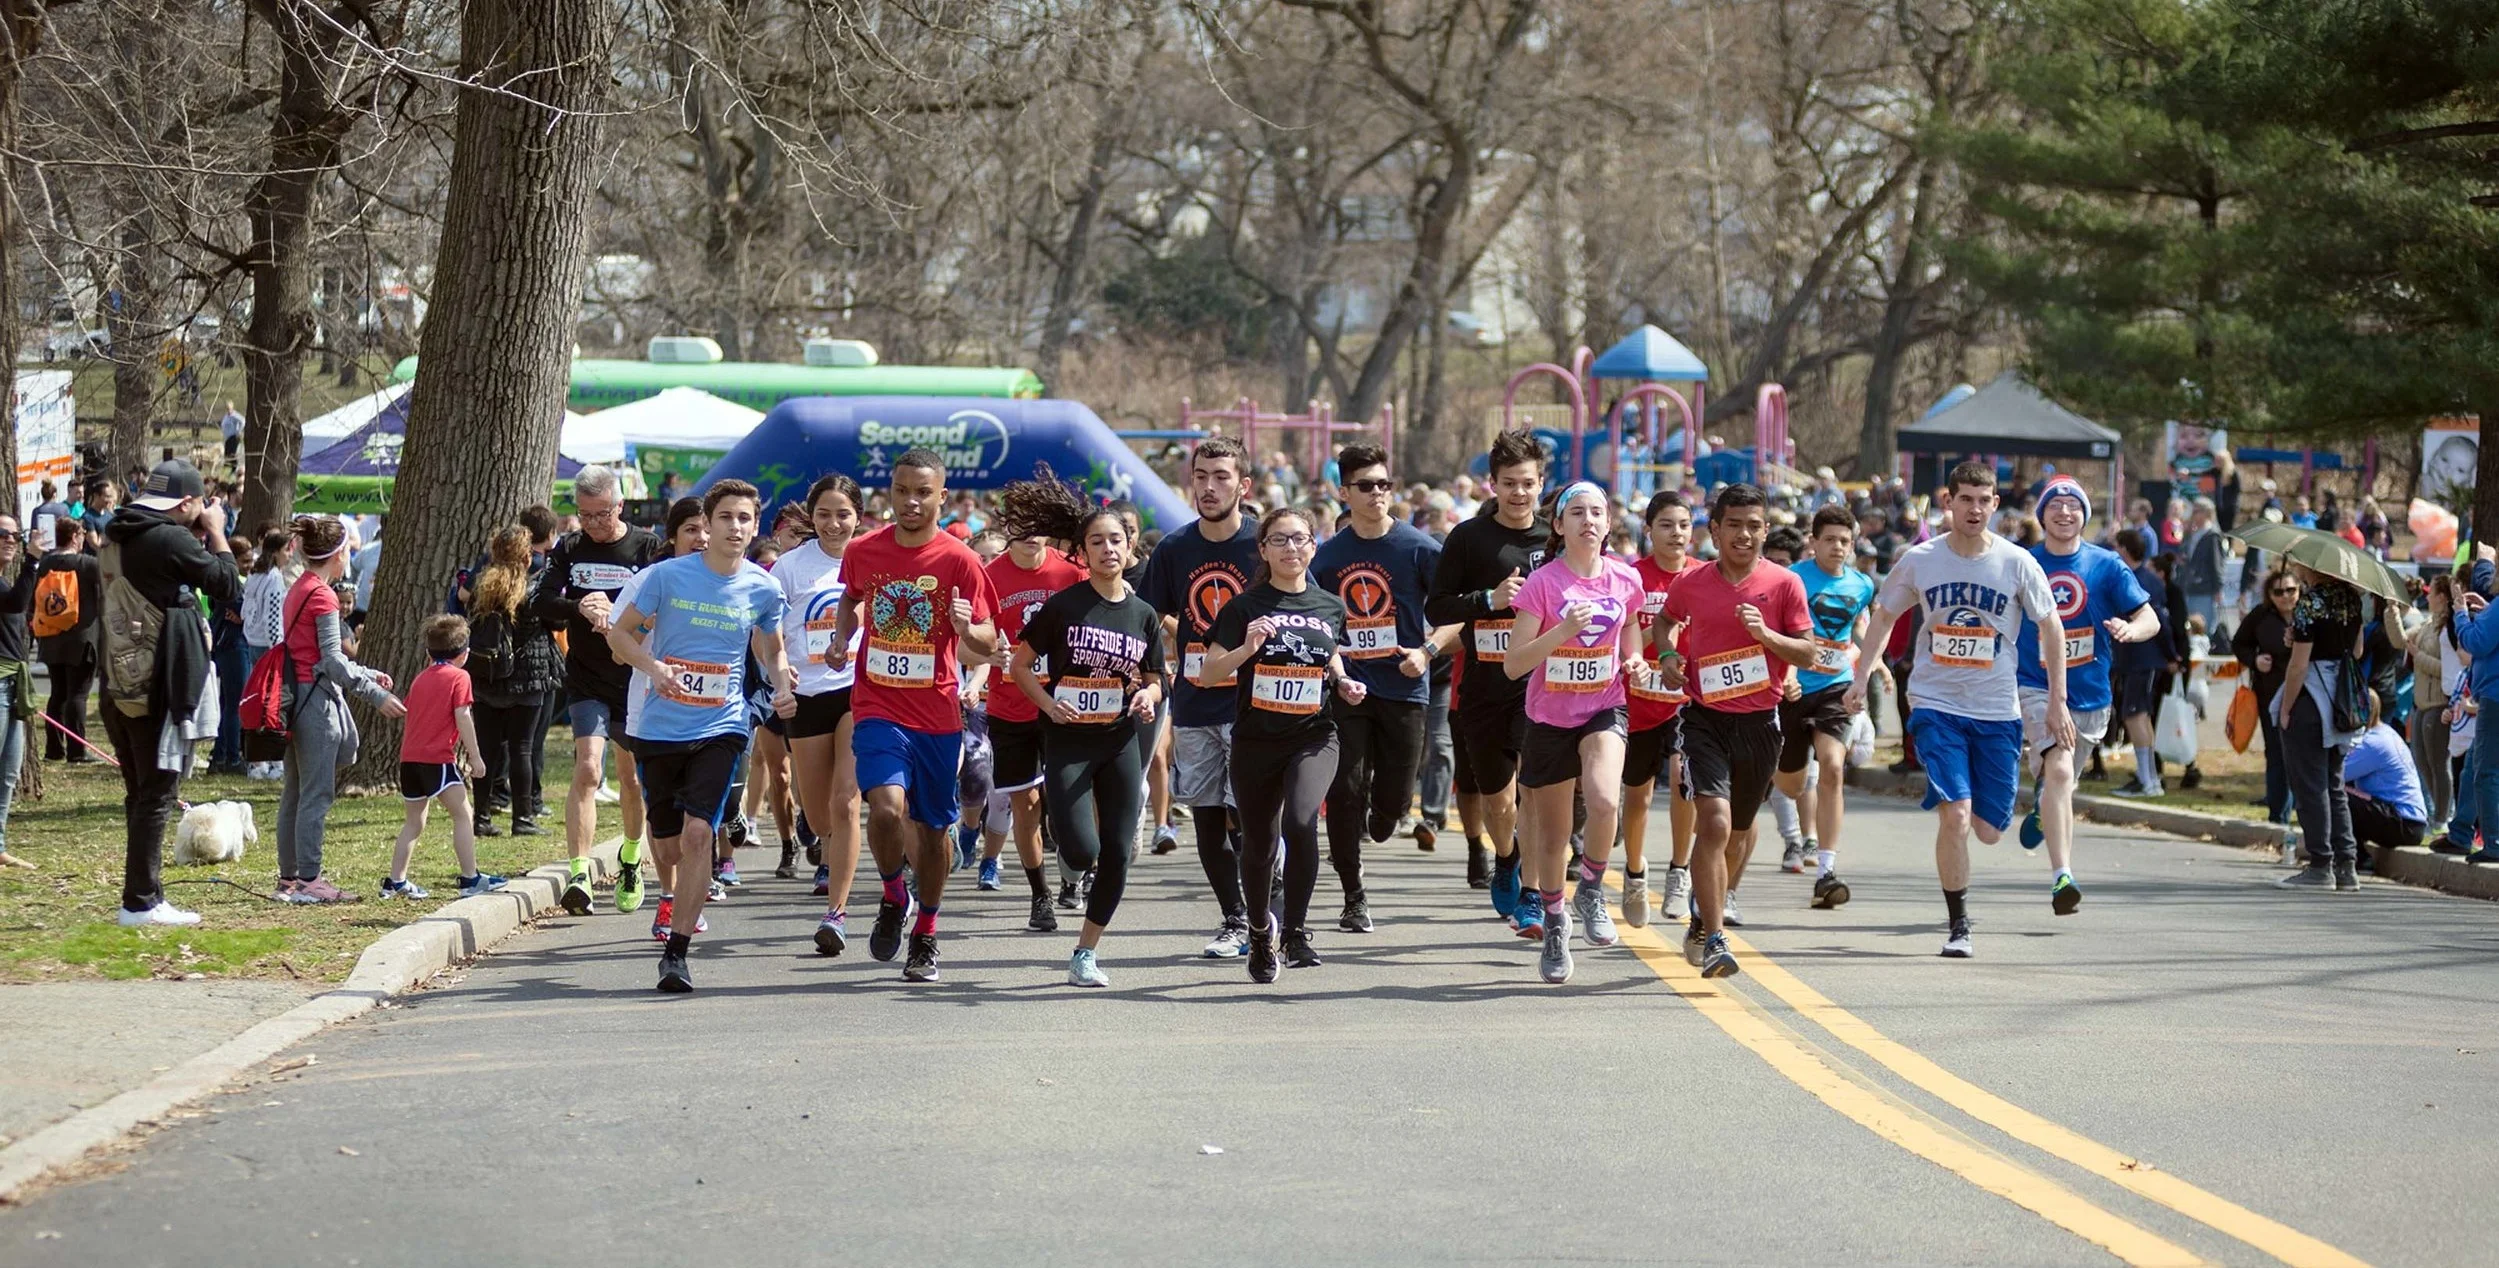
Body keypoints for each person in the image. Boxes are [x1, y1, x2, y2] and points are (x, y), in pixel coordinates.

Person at [1846, 461, 2065, 958]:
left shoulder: (2016, 562)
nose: (1974, 509)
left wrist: (2057, 702)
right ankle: (1958, 924)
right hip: (1934, 702)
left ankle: (2007, 822)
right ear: (1949, 502)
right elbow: (1884, 616)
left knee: (1988, 830)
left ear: (1994, 504)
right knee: (1956, 816)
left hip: (1996, 709)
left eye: (1983, 500)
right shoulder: (1921, 559)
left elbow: (2051, 627)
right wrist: (1862, 677)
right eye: (1964, 499)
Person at [607, 480, 794, 992]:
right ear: (706, 525)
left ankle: (677, 952)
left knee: (696, 836)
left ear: (756, 527)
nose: (736, 527)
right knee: (667, 849)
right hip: (659, 728)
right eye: (726, 518)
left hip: (723, 724)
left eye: (745, 519)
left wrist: (781, 686)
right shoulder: (665, 578)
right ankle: (673, 892)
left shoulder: (763, 587)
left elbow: (771, 650)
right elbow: (619, 636)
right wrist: (654, 666)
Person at [826, 449, 999, 982]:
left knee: (931, 831)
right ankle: (892, 893)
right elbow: (851, 598)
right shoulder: (864, 550)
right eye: (902, 491)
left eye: (923, 492)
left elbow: (989, 640)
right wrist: (840, 637)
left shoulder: (959, 560)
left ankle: (926, 930)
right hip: (877, 704)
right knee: (883, 809)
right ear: (890, 494)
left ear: (941, 497)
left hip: (937, 713)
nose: (911, 502)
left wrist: (965, 627)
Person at [1002, 481, 1166, 987]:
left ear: (1129, 547)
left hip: (1118, 739)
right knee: (1079, 848)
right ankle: (1071, 871)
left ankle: (1085, 952)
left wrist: (1147, 696)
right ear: (1083, 551)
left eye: (1116, 540)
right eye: (1097, 541)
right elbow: (1022, 664)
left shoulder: (1143, 615)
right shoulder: (1065, 606)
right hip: (1069, 738)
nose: (1108, 549)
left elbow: (1158, 678)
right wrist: (1048, 703)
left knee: (1117, 852)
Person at [1653, 483, 1814, 979]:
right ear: (1716, 531)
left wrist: (1766, 636)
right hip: (1705, 718)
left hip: (1761, 724)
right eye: (1734, 525)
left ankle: (1706, 914)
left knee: (1740, 833)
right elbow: (1665, 622)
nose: (1744, 535)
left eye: (1754, 526)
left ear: (1765, 530)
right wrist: (1668, 655)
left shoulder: (1784, 583)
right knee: (1716, 823)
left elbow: (1807, 653)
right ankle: (1717, 937)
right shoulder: (1694, 582)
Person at [1201, 507, 1366, 982]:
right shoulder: (1243, 608)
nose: (1291, 548)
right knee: (1259, 844)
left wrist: (1343, 682)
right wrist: (1246, 649)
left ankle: (1294, 932)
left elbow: (1329, 653)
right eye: (1279, 540)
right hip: (1256, 741)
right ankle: (1258, 932)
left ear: (1313, 546)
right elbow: (1209, 672)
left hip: (1313, 735)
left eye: (1299, 539)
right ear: (1263, 550)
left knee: (1300, 821)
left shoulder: (1330, 605)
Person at [1501, 482, 1652, 983]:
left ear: (1609, 525)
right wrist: (1562, 631)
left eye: (1598, 513)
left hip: (1603, 706)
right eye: (1578, 513)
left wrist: (1633, 659)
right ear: (1559, 525)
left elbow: (1629, 627)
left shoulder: (1625, 578)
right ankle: (1554, 919)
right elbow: (1513, 665)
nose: (1589, 520)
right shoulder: (1542, 584)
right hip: (1548, 718)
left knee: (1607, 800)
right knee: (1551, 836)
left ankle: (1590, 887)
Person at [100, 460, 241, 926]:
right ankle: (140, 904)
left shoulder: (116, 531)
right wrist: (217, 532)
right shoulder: (169, 538)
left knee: (139, 794)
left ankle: (144, 894)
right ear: (185, 503)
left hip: (118, 680)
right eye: (200, 503)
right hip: (156, 682)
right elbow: (226, 585)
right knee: (157, 793)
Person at [1138, 436, 1263, 958]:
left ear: (1244, 485)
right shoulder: (1175, 549)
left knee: (1250, 817)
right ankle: (1235, 918)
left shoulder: (1265, 545)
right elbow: (1144, 620)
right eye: (1201, 477)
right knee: (1210, 815)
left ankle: (1265, 899)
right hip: (1195, 702)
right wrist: (1163, 659)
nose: (1209, 488)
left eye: (1222, 477)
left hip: (1258, 706)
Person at [1310, 442, 1442, 933]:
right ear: (1344, 492)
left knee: (1392, 804)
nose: (1377, 494)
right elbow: (1312, 623)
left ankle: (1385, 815)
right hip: (1347, 690)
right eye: (1365, 486)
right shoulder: (1327, 558)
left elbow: (1455, 616)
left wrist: (1425, 651)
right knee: (1344, 790)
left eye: (1384, 484)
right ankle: (1353, 894)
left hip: (1405, 688)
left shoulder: (1420, 548)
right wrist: (1332, 669)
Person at [2015, 477, 2159, 915]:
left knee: (2063, 780)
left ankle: (2045, 806)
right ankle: (2064, 876)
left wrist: (2131, 630)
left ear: (2084, 514)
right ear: (2042, 515)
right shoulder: (2022, 562)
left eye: (2073, 506)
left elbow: (2148, 615)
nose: (2064, 513)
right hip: (2034, 684)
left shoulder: (2106, 565)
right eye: (2054, 505)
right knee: (2059, 772)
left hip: (2091, 694)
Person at [1424, 430, 1548, 928]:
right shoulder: (1469, 539)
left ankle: (1535, 892)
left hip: (1542, 687)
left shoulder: (1555, 540)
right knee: (1499, 799)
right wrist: (1489, 601)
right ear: (1490, 485)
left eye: (1528, 483)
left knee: (1536, 793)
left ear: (1541, 484)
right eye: (1509, 484)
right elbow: (1436, 605)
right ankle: (1506, 855)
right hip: (1485, 688)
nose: (1519, 493)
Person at [532, 465, 663, 917]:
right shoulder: (569, 548)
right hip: (586, 678)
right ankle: (580, 873)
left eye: (602, 514)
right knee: (589, 770)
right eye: (585, 515)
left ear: (620, 505)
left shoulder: (646, 546)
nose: (594, 524)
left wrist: (625, 614)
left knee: (631, 778)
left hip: (632, 681)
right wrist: (579, 605)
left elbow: (665, 605)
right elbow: (542, 602)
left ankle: (629, 856)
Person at [273, 515, 406, 904]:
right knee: (316, 794)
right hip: (315, 702)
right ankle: (310, 881)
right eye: (348, 547)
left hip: (296, 697)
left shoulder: (300, 586)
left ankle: (290, 879)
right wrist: (374, 694)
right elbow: (331, 660)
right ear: (338, 554)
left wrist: (367, 672)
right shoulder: (323, 595)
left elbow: (317, 655)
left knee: (296, 793)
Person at [982, 491, 1088, 934]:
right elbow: (968, 643)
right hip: (1010, 708)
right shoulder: (986, 575)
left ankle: (1073, 870)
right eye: (1018, 526)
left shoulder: (1072, 574)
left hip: (1065, 706)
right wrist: (992, 652)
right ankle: (1039, 894)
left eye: (1036, 525)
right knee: (1025, 804)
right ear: (1006, 528)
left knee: (1064, 807)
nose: (1029, 536)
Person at [775, 476, 869, 953]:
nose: (834, 524)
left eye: (843, 514)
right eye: (825, 514)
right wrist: (779, 670)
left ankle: (836, 913)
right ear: (810, 517)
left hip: (860, 690)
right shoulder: (789, 568)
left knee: (847, 799)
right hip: (807, 696)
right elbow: (764, 633)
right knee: (817, 813)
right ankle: (828, 855)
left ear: (858, 515)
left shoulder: (874, 558)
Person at [1776, 504, 1879, 908]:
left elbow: (1863, 630)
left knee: (1833, 766)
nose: (1838, 547)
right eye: (1830, 540)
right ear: (1813, 542)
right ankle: (1784, 782)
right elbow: (1780, 630)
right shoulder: (1793, 579)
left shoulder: (1861, 585)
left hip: (1835, 688)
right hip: (1793, 689)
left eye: (1845, 541)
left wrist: (1867, 673)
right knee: (1791, 784)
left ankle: (1826, 870)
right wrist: (1784, 673)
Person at [382, 616, 508, 899]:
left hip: (409, 761)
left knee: (414, 822)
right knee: (464, 815)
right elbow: (462, 715)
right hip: (436, 760)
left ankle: (396, 880)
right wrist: (476, 758)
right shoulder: (460, 677)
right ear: (464, 654)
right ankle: (470, 878)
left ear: (428, 652)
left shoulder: (420, 678)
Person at [1623, 492, 1699, 928]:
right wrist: (1660, 630)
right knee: (1638, 795)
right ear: (1649, 530)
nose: (1676, 534)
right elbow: (1624, 640)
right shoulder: (1632, 578)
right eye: (1667, 525)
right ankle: (1635, 873)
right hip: (1640, 700)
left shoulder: (1704, 576)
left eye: (1684, 525)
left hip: (1687, 701)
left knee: (1683, 778)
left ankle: (1680, 870)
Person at [2276, 561, 2370, 890]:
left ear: (2312, 566)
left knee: (2309, 784)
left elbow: (2298, 667)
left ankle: (2320, 865)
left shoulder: (2310, 602)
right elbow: (2356, 650)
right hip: (2343, 700)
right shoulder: (2353, 598)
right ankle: (2347, 865)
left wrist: (2285, 708)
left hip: (2312, 699)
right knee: (2334, 784)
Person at [466, 525, 560, 838]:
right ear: (524, 555)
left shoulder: (482, 587)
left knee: (487, 750)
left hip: (488, 676)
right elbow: (557, 621)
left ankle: (480, 818)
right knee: (522, 748)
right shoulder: (533, 590)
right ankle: (523, 818)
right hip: (528, 677)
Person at [2110, 529, 2184, 798]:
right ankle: (2148, 777)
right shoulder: (2145, 578)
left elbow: (2161, 622)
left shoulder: (2142, 580)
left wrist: (2171, 654)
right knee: (2137, 716)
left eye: (2117, 546)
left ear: (2125, 550)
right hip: (2134, 659)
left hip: (2143, 658)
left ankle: (2148, 780)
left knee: (2135, 716)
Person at [2234, 568, 2301, 826]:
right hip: (2270, 694)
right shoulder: (2261, 616)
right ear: (2269, 595)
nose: (2285, 597)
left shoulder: (2307, 614)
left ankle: (2302, 810)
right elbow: (2239, 643)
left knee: (2300, 755)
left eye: (2290, 590)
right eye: (2278, 592)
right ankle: (2278, 815)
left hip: (2304, 695)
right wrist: (2255, 660)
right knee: (2276, 753)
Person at [33, 520, 100, 764]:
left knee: (57, 693)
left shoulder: (45, 564)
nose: (83, 538)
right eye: (81, 533)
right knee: (79, 694)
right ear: (73, 536)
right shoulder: (88, 565)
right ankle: (77, 750)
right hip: (81, 638)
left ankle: (53, 749)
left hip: (51, 637)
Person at [2343, 696, 2427, 851]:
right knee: (2345, 793)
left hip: (2404, 822)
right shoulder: (2386, 732)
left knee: (2333, 794)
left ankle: (2353, 857)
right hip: (2409, 821)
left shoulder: (2373, 742)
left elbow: (2336, 775)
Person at [2179, 501, 2225, 636]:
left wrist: (2218, 589)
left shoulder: (2212, 536)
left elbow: (2216, 563)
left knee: (2203, 627)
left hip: (2205, 588)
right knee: (2190, 626)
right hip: (2190, 585)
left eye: (2196, 511)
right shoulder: (2192, 534)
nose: (2193, 515)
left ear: (2206, 513)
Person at [219, 401, 245, 469]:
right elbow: (223, 425)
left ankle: (234, 469)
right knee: (227, 454)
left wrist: (238, 431)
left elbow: (243, 421)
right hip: (228, 438)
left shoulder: (234, 415)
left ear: (232, 407)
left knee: (232, 454)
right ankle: (226, 469)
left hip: (234, 437)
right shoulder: (226, 416)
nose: (228, 410)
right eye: (227, 408)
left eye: (229, 408)